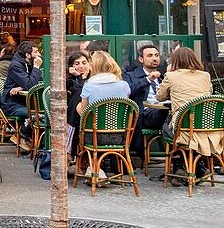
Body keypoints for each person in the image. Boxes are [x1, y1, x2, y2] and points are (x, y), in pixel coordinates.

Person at [156, 46, 223, 160]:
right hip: (206, 125)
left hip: (184, 127)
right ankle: (196, 164)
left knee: (165, 128)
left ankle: (180, 162)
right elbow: (209, 93)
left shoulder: (171, 76)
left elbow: (159, 96)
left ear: (175, 61)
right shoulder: (205, 75)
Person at [76, 51, 132, 179]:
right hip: (120, 136)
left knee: (79, 116)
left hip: (95, 137)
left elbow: (84, 114)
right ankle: (96, 169)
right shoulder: (124, 85)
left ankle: (93, 168)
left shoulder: (89, 86)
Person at [123, 43, 168, 155]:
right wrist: (147, 80)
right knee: (169, 115)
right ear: (141, 59)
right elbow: (128, 91)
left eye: (156, 55)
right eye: (150, 55)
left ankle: (181, 156)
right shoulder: (131, 75)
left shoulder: (164, 76)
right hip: (145, 115)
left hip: (163, 111)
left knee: (179, 115)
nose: (154, 58)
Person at [0, 42, 42, 150]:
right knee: (35, 114)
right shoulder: (16, 66)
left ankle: (33, 140)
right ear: (27, 55)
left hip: (21, 101)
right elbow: (30, 84)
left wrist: (22, 87)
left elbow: (37, 81)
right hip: (11, 104)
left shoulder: (27, 64)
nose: (39, 55)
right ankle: (22, 136)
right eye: (36, 52)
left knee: (41, 112)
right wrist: (36, 68)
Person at [66, 51, 90, 160]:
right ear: (71, 66)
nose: (81, 66)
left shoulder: (95, 80)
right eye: (77, 63)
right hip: (79, 117)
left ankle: (70, 151)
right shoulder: (70, 81)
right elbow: (82, 92)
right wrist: (78, 77)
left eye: (84, 63)